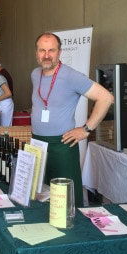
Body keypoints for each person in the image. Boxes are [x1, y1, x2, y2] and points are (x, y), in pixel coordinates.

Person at [31, 32, 113, 207]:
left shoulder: (71, 76)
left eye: (51, 50)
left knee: (66, 200)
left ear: (59, 52)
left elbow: (106, 98)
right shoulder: (35, 74)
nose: (46, 55)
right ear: (36, 53)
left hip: (62, 145)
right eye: (42, 50)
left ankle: (76, 231)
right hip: (37, 144)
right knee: (40, 195)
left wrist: (86, 129)